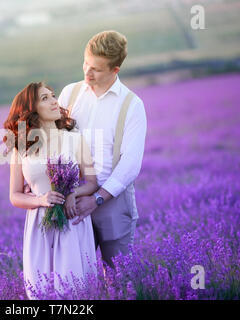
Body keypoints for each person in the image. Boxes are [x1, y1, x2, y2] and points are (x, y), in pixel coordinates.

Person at [57, 30, 148, 268]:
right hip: (72, 200)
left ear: (114, 70)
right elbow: (54, 141)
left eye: (96, 68)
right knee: (74, 277)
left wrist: (97, 198)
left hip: (112, 203)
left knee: (119, 279)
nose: (87, 72)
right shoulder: (70, 93)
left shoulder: (132, 105)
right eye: (85, 63)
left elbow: (131, 164)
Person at [4, 82, 98, 299]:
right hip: (39, 225)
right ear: (31, 108)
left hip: (72, 220)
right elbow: (15, 196)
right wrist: (41, 199)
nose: (54, 101)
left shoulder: (75, 138)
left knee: (75, 290)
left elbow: (92, 182)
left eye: (53, 96)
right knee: (41, 291)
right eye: (45, 98)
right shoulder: (21, 147)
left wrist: (73, 194)